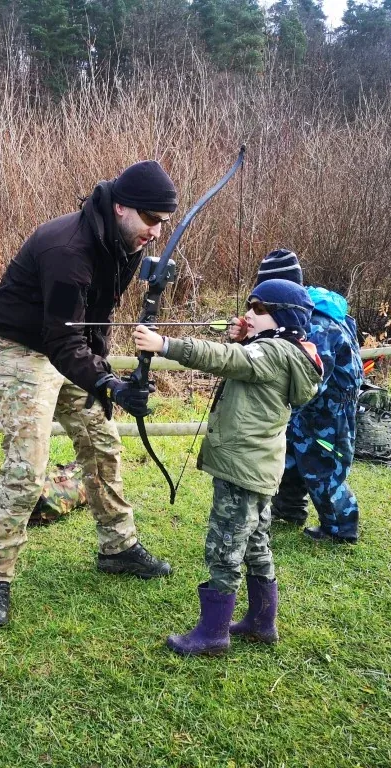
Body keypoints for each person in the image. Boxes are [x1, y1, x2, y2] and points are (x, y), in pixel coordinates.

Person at [0, 160, 179, 630]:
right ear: (122, 206)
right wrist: (107, 383)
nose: (155, 232)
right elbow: (61, 339)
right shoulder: (68, 249)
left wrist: (104, 374)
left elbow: (96, 319)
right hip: (19, 348)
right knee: (28, 465)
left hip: (69, 346)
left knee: (102, 444)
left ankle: (119, 548)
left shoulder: (123, 243)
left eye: (163, 224)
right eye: (151, 220)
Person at [132, 278, 323, 655]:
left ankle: (213, 633)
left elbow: (226, 359)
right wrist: (248, 336)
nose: (248, 314)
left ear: (282, 317)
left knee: (225, 548)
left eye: (259, 309)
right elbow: (246, 360)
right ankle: (261, 622)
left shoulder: (272, 353)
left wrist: (165, 345)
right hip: (259, 467)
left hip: (242, 469)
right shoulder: (287, 352)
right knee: (255, 543)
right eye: (250, 306)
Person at [255, 250, 364, 544]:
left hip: (329, 410)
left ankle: (340, 528)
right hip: (305, 409)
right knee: (290, 459)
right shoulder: (293, 313)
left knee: (323, 467)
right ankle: (289, 508)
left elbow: (313, 376)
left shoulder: (317, 322)